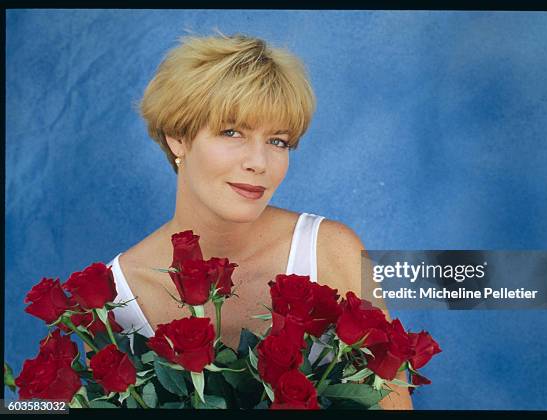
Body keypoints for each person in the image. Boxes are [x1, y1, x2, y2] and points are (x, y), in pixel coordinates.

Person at [100, 32, 412, 410]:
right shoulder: (115, 292)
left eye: (278, 141)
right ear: (177, 138)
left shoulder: (332, 249)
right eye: (232, 132)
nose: (259, 163)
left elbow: (391, 401)